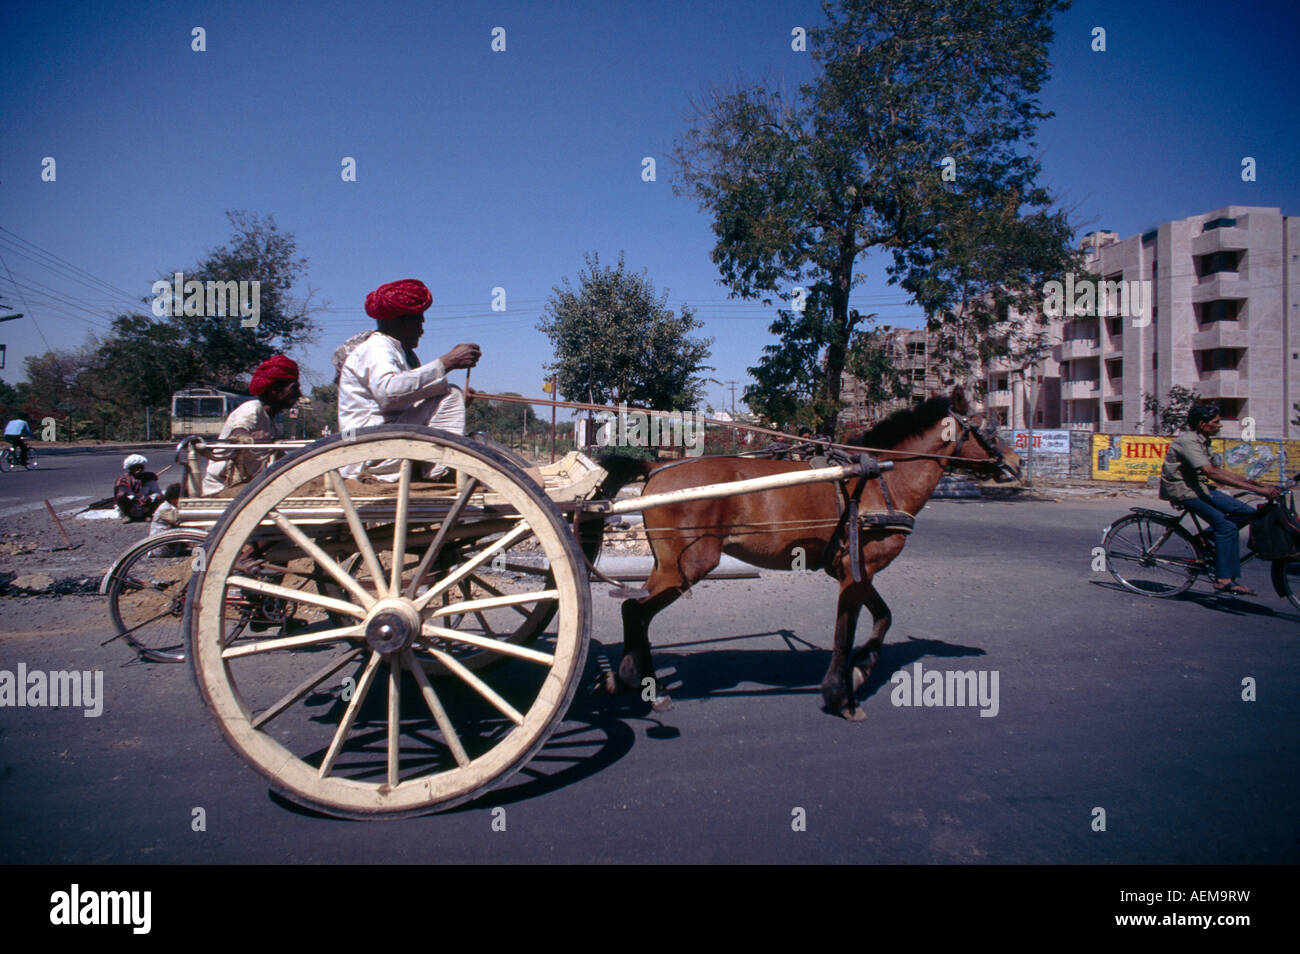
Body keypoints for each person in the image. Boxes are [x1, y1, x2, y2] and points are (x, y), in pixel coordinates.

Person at [335, 278, 479, 480]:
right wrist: (447, 363)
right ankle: (440, 470)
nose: (422, 330)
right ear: (400, 321)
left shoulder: (394, 350)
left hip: (382, 439)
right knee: (450, 393)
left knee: (451, 394)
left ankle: (439, 467)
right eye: (418, 321)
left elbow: (402, 396)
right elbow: (389, 392)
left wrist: (451, 395)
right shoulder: (377, 348)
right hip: (369, 450)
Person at [1159, 403, 1281, 595]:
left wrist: (1259, 486)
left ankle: (1204, 540)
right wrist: (1258, 490)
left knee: (1247, 512)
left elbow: (1220, 472)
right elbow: (1212, 472)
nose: (1220, 425)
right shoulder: (1188, 441)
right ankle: (1224, 579)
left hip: (1200, 488)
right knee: (1227, 527)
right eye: (1216, 422)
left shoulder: (1203, 440)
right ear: (1202, 424)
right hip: (1183, 490)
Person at [201, 355, 302, 495]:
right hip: (223, 488)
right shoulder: (252, 409)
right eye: (294, 388)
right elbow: (238, 432)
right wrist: (248, 439)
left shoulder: (270, 421)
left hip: (246, 485)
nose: (299, 393)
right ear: (275, 389)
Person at [115, 454, 164, 521]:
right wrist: (136, 499)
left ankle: (148, 515)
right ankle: (127, 516)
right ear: (131, 468)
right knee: (121, 496)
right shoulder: (124, 479)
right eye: (137, 467)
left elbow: (156, 491)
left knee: (160, 496)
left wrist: (149, 498)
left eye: (141, 467)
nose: (140, 469)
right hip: (131, 505)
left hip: (146, 504)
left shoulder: (149, 477)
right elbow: (125, 493)